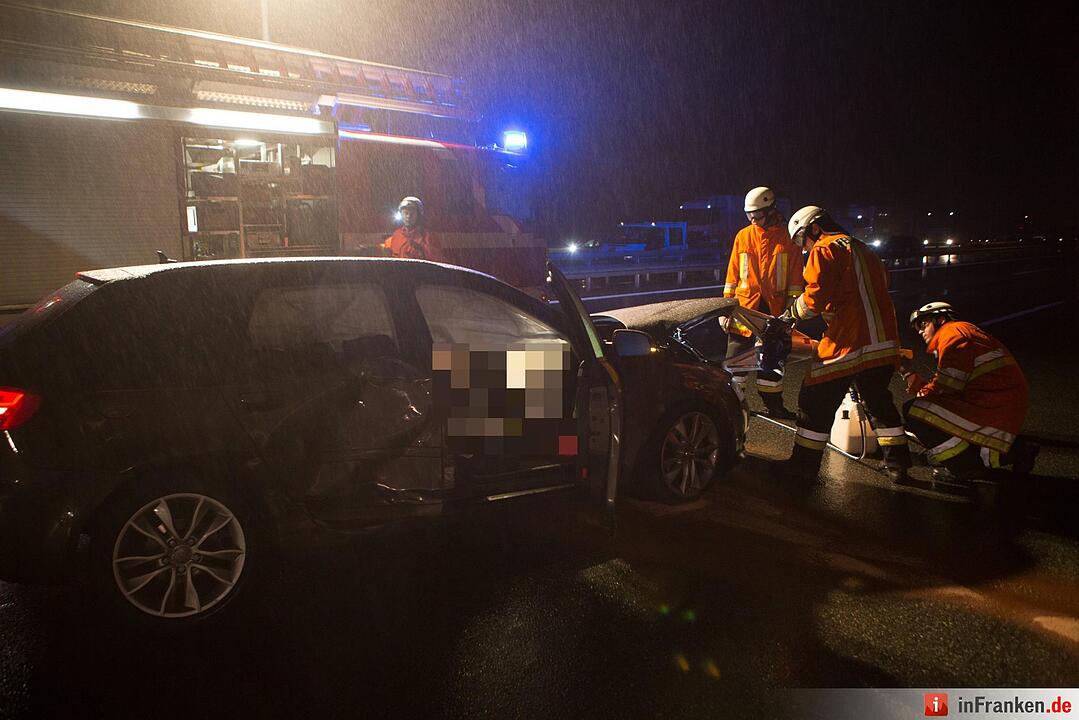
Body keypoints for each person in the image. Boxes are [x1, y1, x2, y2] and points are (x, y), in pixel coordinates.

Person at [773, 206, 912, 482]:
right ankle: (898, 465)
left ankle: (802, 467)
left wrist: (789, 315)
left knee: (814, 400)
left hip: (849, 343)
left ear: (813, 228)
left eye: (802, 241)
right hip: (883, 342)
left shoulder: (824, 249)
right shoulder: (865, 250)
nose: (804, 249)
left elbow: (814, 299)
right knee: (878, 401)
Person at [902, 301, 1037, 482]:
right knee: (984, 452)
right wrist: (910, 374)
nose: (919, 331)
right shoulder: (962, 331)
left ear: (941, 319)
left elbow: (947, 387)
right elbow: (947, 384)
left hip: (991, 404)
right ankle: (1019, 449)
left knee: (915, 411)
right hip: (997, 402)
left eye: (923, 324)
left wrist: (916, 386)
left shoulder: (953, 334)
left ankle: (965, 468)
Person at [722, 186, 803, 419]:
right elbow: (732, 274)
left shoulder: (788, 238)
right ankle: (733, 405)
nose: (753, 219)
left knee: (772, 364)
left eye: (757, 214)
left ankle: (774, 406)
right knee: (735, 364)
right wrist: (725, 308)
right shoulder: (743, 236)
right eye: (749, 215)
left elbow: (796, 278)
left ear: (771, 210)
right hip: (744, 309)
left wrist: (792, 313)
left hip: (775, 311)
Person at [383, 196, 450, 262]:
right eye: (405, 213)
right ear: (401, 214)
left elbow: (438, 262)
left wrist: (422, 251)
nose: (408, 216)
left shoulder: (428, 237)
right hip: (399, 272)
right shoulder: (396, 236)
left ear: (419, 215)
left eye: (412, 213)